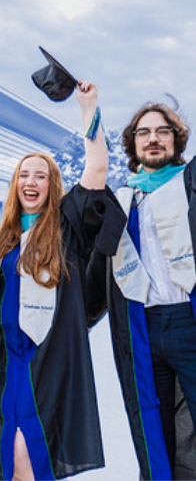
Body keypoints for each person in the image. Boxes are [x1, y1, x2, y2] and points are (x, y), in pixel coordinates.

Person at [0, 81, 124, 481]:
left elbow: (97, 169)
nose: (31, 182)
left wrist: (89, 108)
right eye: (24, 175)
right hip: (1, 367)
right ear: (15, 185)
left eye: (40, 176)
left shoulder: (66, 224)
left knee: (31, 456)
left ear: (52, 185)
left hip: (46, 361)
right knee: (9, 458)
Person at [87, 102, 196, 480]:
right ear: (133, 144)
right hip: (142, 329)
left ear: (176, 138)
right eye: (143, 133)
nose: (153, 139)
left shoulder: (190, 184)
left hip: (189, 320)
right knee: (153, 425)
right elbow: (97, 266)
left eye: (162, 131)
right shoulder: (121, 201)